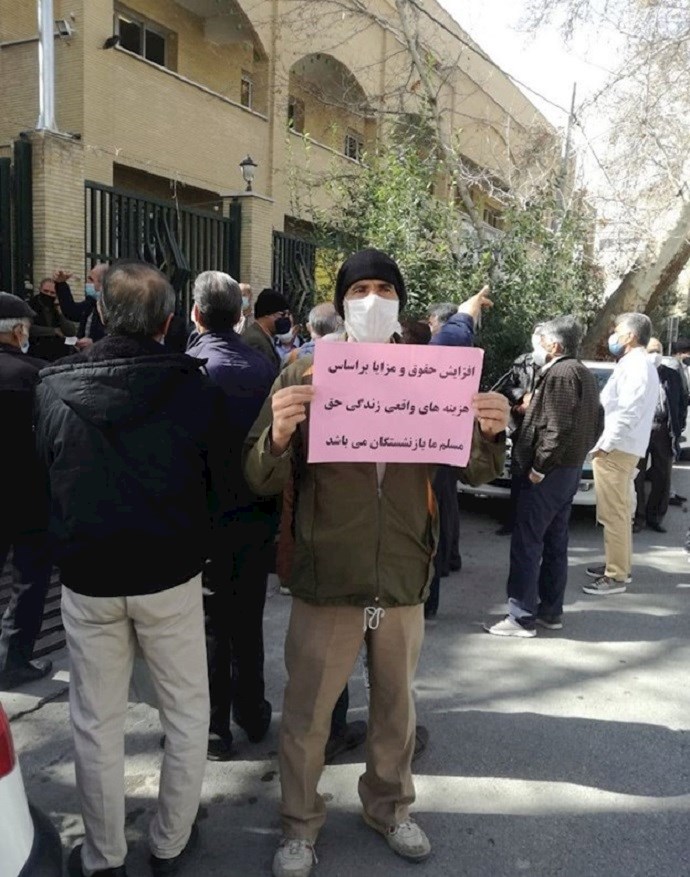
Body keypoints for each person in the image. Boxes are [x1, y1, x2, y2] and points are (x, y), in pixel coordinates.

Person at [244, 248, 509, 877]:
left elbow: (473, 469)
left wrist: (492, 434)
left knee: (396, 709)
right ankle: (299, 825)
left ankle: (389, 808)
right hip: (327, 575)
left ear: (400, 300)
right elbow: (256, 476)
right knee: (308, 715)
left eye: (382, 288)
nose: (370, 299)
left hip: (401, 576)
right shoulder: (303, 370)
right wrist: (278, 436)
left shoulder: (431, 376)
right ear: (340, 302)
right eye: (358, 288)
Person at [36, 262, 236, 877]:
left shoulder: (52, 388)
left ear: (97, 313)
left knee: (97, 722)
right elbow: (219, 485)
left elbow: (45, 474)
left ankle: (103, 858)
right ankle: (170, 843)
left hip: (88, 577)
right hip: (170, 577)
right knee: (186, 713)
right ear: (170, 321)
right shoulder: (192, 389)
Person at [186, 271, 278, 762]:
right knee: (248, 617)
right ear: (239, 315)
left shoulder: (188, 369)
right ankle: (253, 711)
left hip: (206, 521)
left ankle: (215, 728)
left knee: (212, 625)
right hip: (256, 513)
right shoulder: (263, 366)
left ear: (196, 314)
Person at [485, 316, 603, 637]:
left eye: (540, 339)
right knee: (554, 542)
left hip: (547, 474)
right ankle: (550, 612)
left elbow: (558, 427)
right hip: (565, 471)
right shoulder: (583, 374)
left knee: (527, 543)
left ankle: (521, 617)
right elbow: (594, 425)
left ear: (554, 345)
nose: (536, 344)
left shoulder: (562, 373)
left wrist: (539, 466)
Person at [583, 313, 659, 596]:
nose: (612, 336)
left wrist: (606, 445)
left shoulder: (637, 366)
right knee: (619, 512)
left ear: (630, 336)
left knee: (613, 514)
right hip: (623, 447)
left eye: (617, 331)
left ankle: (615, 576)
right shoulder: (636, 364)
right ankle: (617, 566)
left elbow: (628, 410)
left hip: (618, 448)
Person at [0, 293, 53, 691]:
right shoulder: (37, 376)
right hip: (30, 492)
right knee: (29, 577)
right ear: (18, 331)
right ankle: (14, 658)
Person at [492, 328, 544, 535]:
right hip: (521, 429)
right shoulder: (523, 361)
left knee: (539, 480)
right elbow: (506, 387)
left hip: (543, 431)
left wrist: (536, 400)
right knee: (519, 476)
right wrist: (522, 396)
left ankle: (532, 523)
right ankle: (513, 521)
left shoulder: (560, 365)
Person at [633, 338, 684, 534]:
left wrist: (678, 427)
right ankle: (638, 517)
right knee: (636, 475)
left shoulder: (671, 375)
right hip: (641, 428)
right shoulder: (638, 374)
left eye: (658, 350)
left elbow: (681, 402)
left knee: (662, 475)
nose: (655, 354)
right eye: (651, 350)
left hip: (664, 429)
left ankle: (654, 515)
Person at [55, 264, 108, 346]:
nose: (87, 283)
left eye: (91, 279)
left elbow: (117, 336)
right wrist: (61, 284)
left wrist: (95, 342)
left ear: (103, 284)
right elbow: (72, 312)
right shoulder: (91, 302)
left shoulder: (114, 306)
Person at [27, 277, 78, 361]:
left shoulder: (58, 307)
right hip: (36, 352)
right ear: (40, 289)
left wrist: (60, 311)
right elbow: (28, 328)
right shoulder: (30, 306)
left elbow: (70, 331)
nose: (48, 295)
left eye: (52, 293)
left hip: (58, 354)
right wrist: (53, 331)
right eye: (45, 291)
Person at [242, 288, 291, 374]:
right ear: (266, 314)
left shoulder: (265, 337)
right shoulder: (255, 340)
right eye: (282, 314)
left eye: (288, 314)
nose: (286, 318)